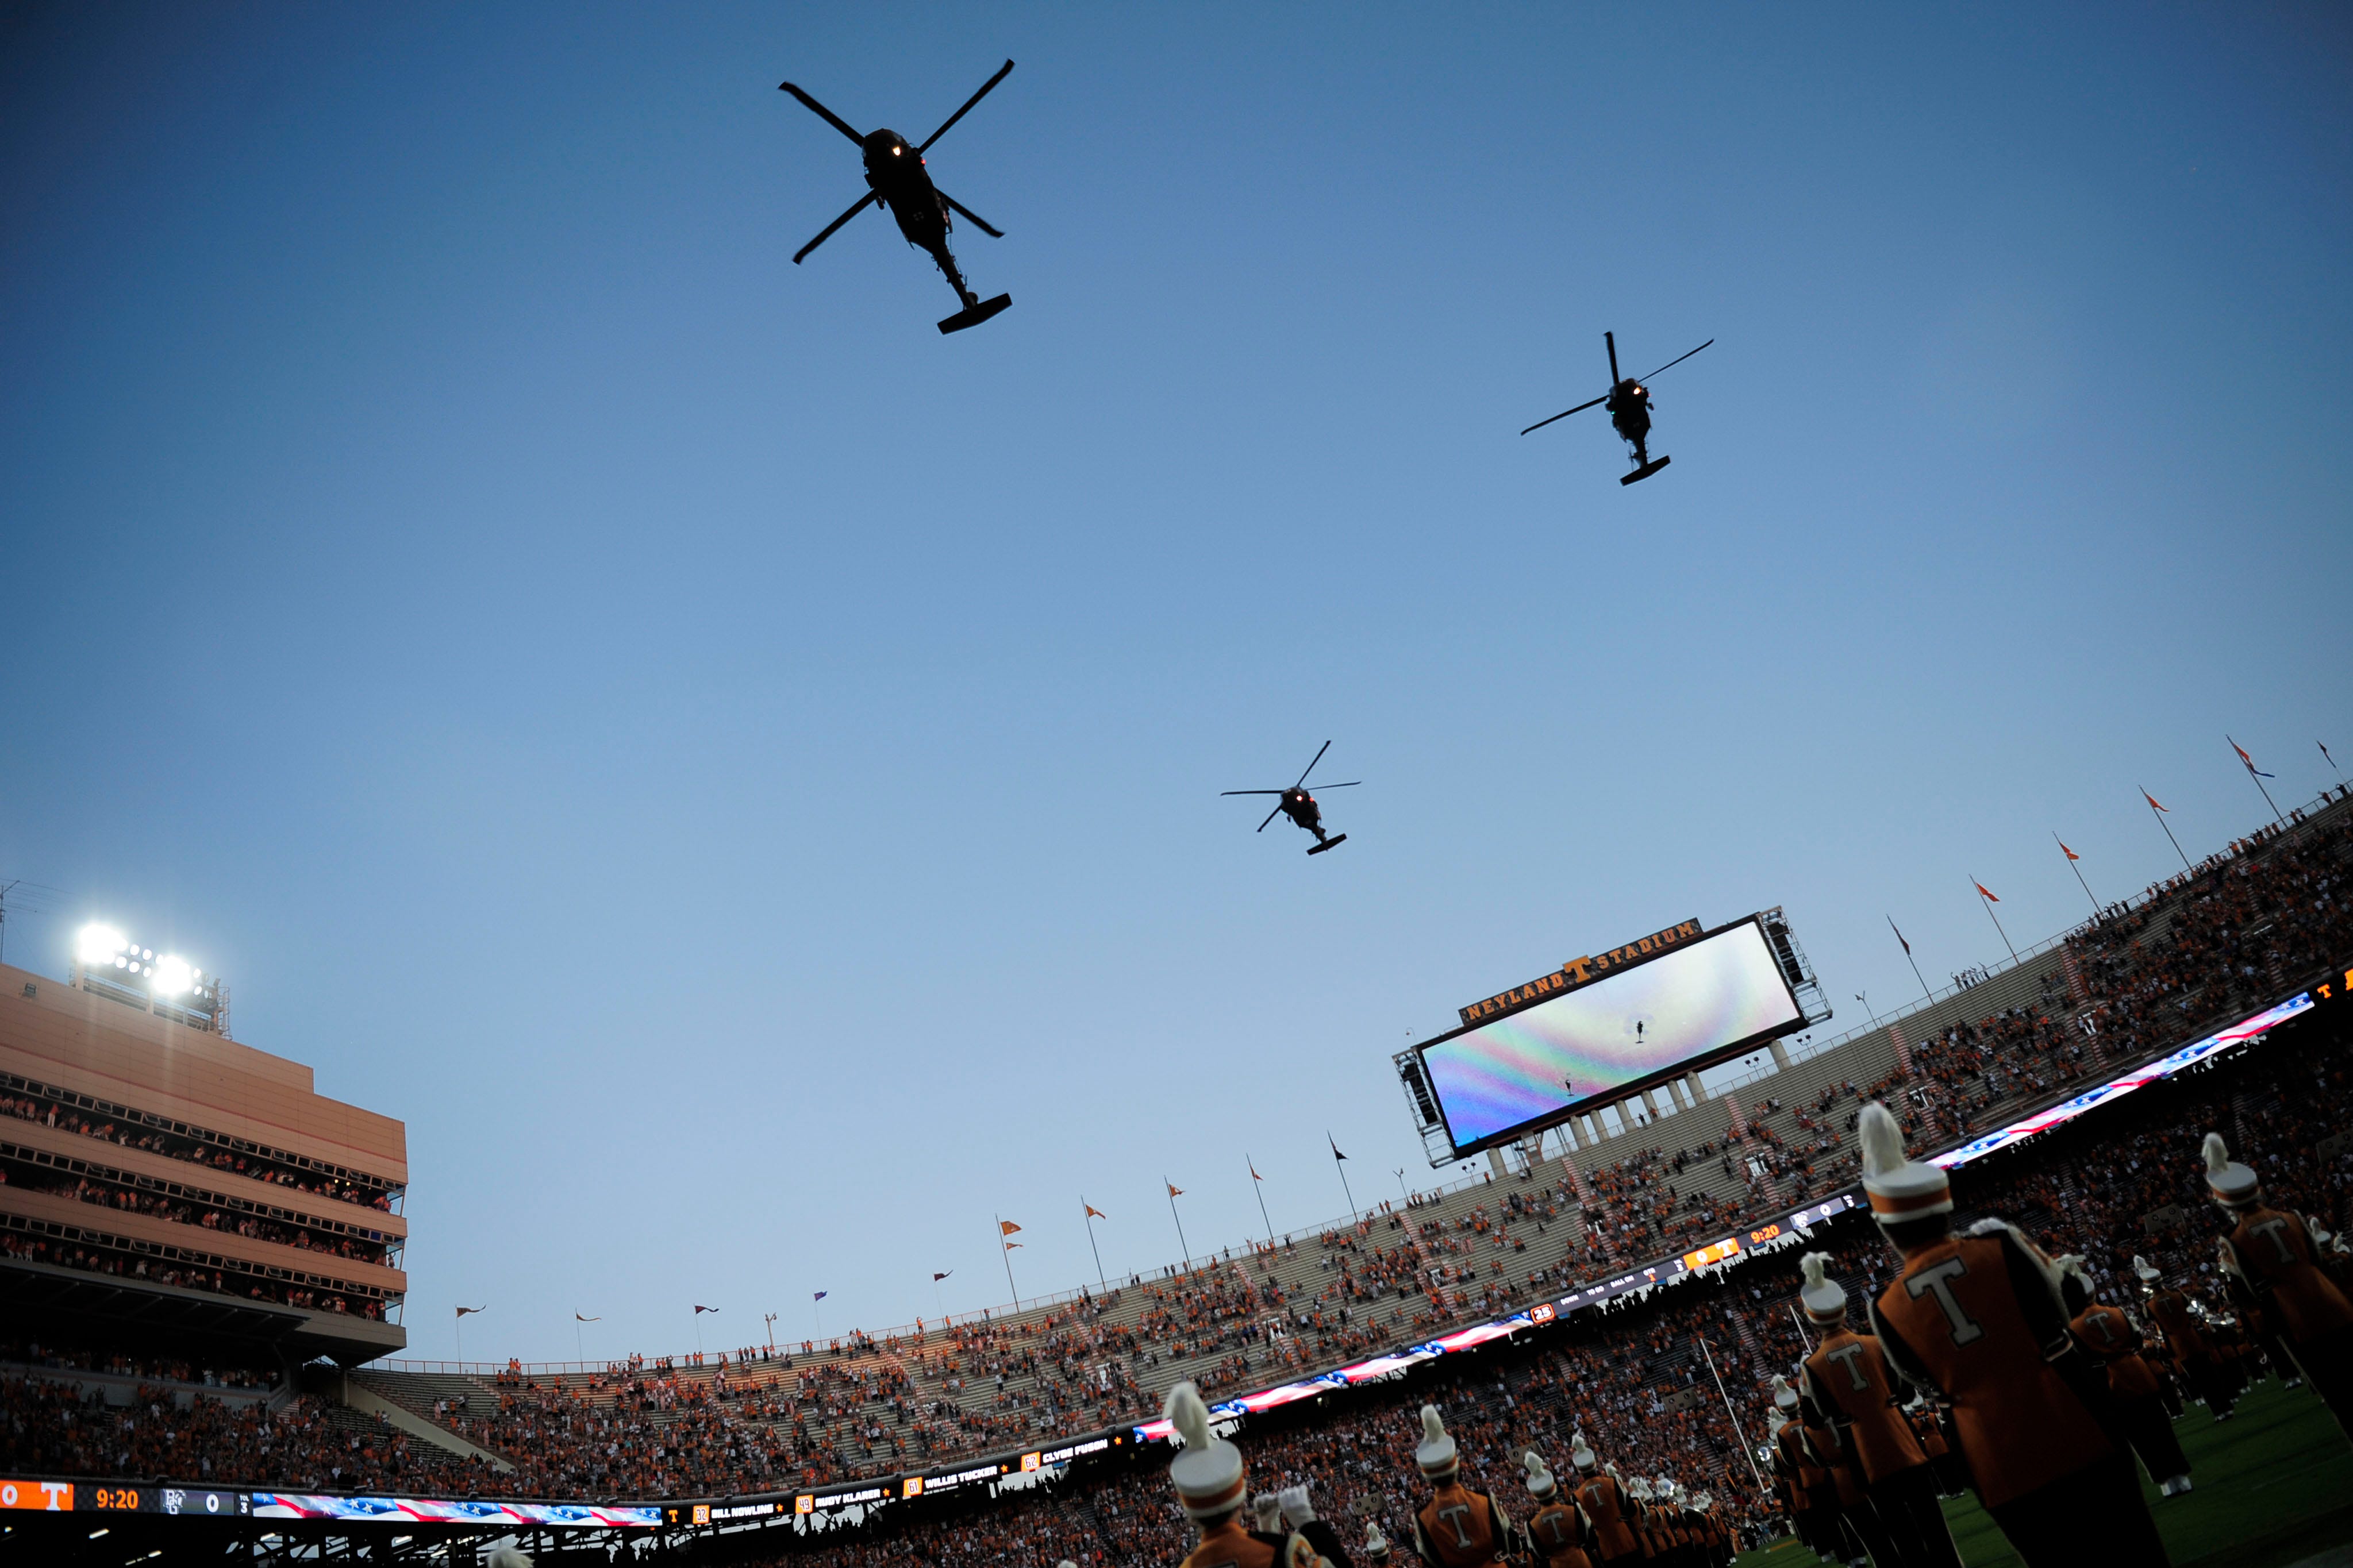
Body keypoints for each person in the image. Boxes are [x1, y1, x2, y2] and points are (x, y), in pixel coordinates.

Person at [1855, 1101, 2168, 1568]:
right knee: (2133, 1546)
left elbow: (1922, 1380)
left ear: (1887, 1229)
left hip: (1991, 1450)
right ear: (1944, 1206)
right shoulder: (1998, 1245)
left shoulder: (1885, 1308)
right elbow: (2059, 1313)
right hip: (2067, 1412)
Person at [1795, 1250, 1963, 1568]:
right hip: (1903, 1440)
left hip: (1865, 1455)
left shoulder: (1812, 1366)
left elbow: (1814, 1420)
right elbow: (1907, 1392)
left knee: (1902, 1535)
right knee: (1933, 1526)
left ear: (1812, 1319)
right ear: (1844, 1310)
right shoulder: (1875, 1343)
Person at [2206, 1132, 2353, 1440]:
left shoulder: (2233, 1240)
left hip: (2295, 1316)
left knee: (2337, 1393)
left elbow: (2246, 1293)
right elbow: (2318, 1260)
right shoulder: (2292, 1217)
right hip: (2332, 1300)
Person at [2055, 1254, 2191, 1496]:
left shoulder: (2073, 1327)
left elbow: (2085, 1359)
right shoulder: (2117, 1311)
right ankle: (2182, 1477)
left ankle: (2166, 1483)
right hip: (2139, 1371)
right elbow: (2137, 1340)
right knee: (2162, 1428)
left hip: (2113, 1382)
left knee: (2139, 1436)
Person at [1163, 1380, 1333, 1568]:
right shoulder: (1285, 1552)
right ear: (1241, 1502)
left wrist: (1268, 1535)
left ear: (1191, 1516)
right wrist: (1309, 1525)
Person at [1409, 1404, 1517, 1568]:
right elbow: (1508, 1544)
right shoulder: (1484, 1500)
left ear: (1428, 1477)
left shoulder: (1423, 1517)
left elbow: (1431, 1562)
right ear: (1456, 1466)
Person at [2140, 1254, 2239, 1419]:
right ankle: (2227, 1406)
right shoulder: (2178, 1294)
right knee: (2211, 1373)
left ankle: (2218, 1412)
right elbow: (2190, 1308)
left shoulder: (2149, 1304)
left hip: (2177, 1343)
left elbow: (2148, 1317)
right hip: (2193, 1337)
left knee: (2199, 1379)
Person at [1571, 1438, 1643, 1565]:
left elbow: (1585, 1531)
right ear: (1595, 1463)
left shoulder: (1577, 1495)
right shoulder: (1612, 1482)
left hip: (1606, 1547)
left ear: (1579, 1470)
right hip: (1626, 1538)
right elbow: (1631, 1510)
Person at [1521, 1448, 1594, 1568]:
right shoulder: (1573, 1510)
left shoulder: (1532, 1525)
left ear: (1535, 1496)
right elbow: (1588, 1537)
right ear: (1554, 1488)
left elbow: (1539, 1555)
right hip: (1582, 1562)